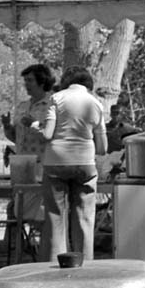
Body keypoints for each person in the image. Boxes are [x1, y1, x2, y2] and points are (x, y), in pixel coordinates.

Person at [40, 65, 108, 262]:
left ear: (66, 83)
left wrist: (38, 128)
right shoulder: (95, 103)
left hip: (56, 161)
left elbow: (48, 134)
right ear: (88, 84)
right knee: (85, 217)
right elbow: (102, 147)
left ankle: (56, 266)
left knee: (55, 216)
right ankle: (84, 265)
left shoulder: (57, 98)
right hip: (84, 163)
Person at [1, 63, 55, 259]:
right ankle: (27, 251)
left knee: (39, 213)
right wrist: (8, 128)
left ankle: (45, 252)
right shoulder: (23, 106)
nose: (26, 85)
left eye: (30, 80)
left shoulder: (52, 104)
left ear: (42, 81)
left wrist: (33, 124)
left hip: (43, 165)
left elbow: (50, 135)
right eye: (25, 81)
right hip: (22, 165)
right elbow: (17, 137)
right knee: (19, 210)